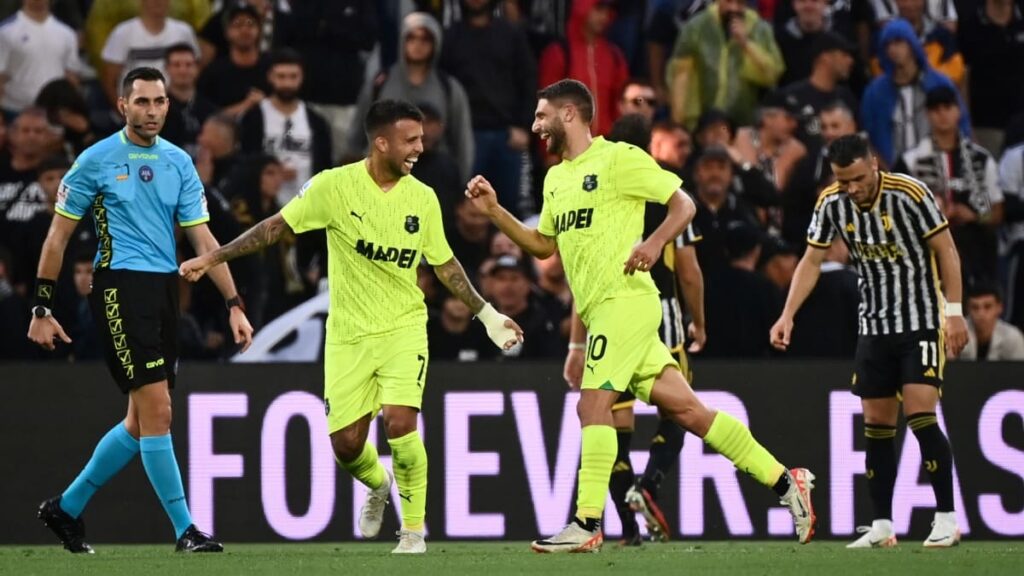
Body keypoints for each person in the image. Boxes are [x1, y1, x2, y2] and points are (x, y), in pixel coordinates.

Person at [467, 79, 815, 553]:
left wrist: (653, 243)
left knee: (592, 406)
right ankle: (786, 482)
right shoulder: (556, 178)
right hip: (604, 308)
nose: (535, 125)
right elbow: (544, 246)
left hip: (624, 303)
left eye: (542, 115)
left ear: (570, 115)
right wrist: (496, 212)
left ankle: (587, 522)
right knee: (690, 411)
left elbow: (684, 205)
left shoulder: (619, 159)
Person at [179, 99, 524, 554]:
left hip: (403, 327)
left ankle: (414, 531)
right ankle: (377, 484)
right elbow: (274, 229)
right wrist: (212, 256)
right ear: (381, 142)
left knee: (400, 424)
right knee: (346, 445)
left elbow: (444, 266)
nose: (420, 148)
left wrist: (486, 313)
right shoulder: (333, 188)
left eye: (421, 138)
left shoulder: (422, 197)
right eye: (411, 140)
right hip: (348, 335)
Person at [30, 67, 254, 554]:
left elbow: (203, 240)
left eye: (159, 102)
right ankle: (185, 530)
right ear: (122, 105)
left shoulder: (179, 163)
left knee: (138, 421)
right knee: (159, 413)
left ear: (168, 106)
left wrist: (234, 303)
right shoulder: (94, 160)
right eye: (142, 102)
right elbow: (58, 236)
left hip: (164, 291)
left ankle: (65, 509)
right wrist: (42, 305)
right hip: (119, 289)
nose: (152, 111)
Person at [770, 133, 968, 548]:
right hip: (873, 326)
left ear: (874, 163)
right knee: (876, 426)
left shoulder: (911, 194)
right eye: (844, 181)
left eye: (858, 178)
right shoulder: (831, 202)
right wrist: (788, 314)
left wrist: (953, 312)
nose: (852, 188)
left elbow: (947, 250)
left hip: (920, 321)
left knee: (920, 414)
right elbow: (811, 259)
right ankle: (881, 525)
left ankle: (947, 517)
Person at [894, 86, 1003, 288]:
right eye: (935, 109)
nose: (942, 114)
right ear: (927, 114)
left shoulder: (981, 159)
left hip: (974, 250)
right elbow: (895, 210)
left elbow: (995, 212)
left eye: (947, 107)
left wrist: (975, 216)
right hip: (927, 251)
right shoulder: (911, 161)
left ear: (958, 111)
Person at [239, 49, 332, 205]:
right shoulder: (254, 117)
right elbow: (244, 161)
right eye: (281, 77)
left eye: (293, 77)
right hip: (264, 207)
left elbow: (325, 166)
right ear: (270, 77)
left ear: (302, 77)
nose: (287, 83)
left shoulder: (316, 122)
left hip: (306, 206)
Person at [0, 0, 79, 119]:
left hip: (54, 112)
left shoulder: (67, 33)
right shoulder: (5, 31)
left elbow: (71, 76)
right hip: (15, 110)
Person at [960, 283, 1024, 361]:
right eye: (975, 307)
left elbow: (1019, 371)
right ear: (968, 309)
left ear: (999, 307)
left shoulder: (1012, 337)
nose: (981, 314)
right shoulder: (957, 333)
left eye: (987, 306)